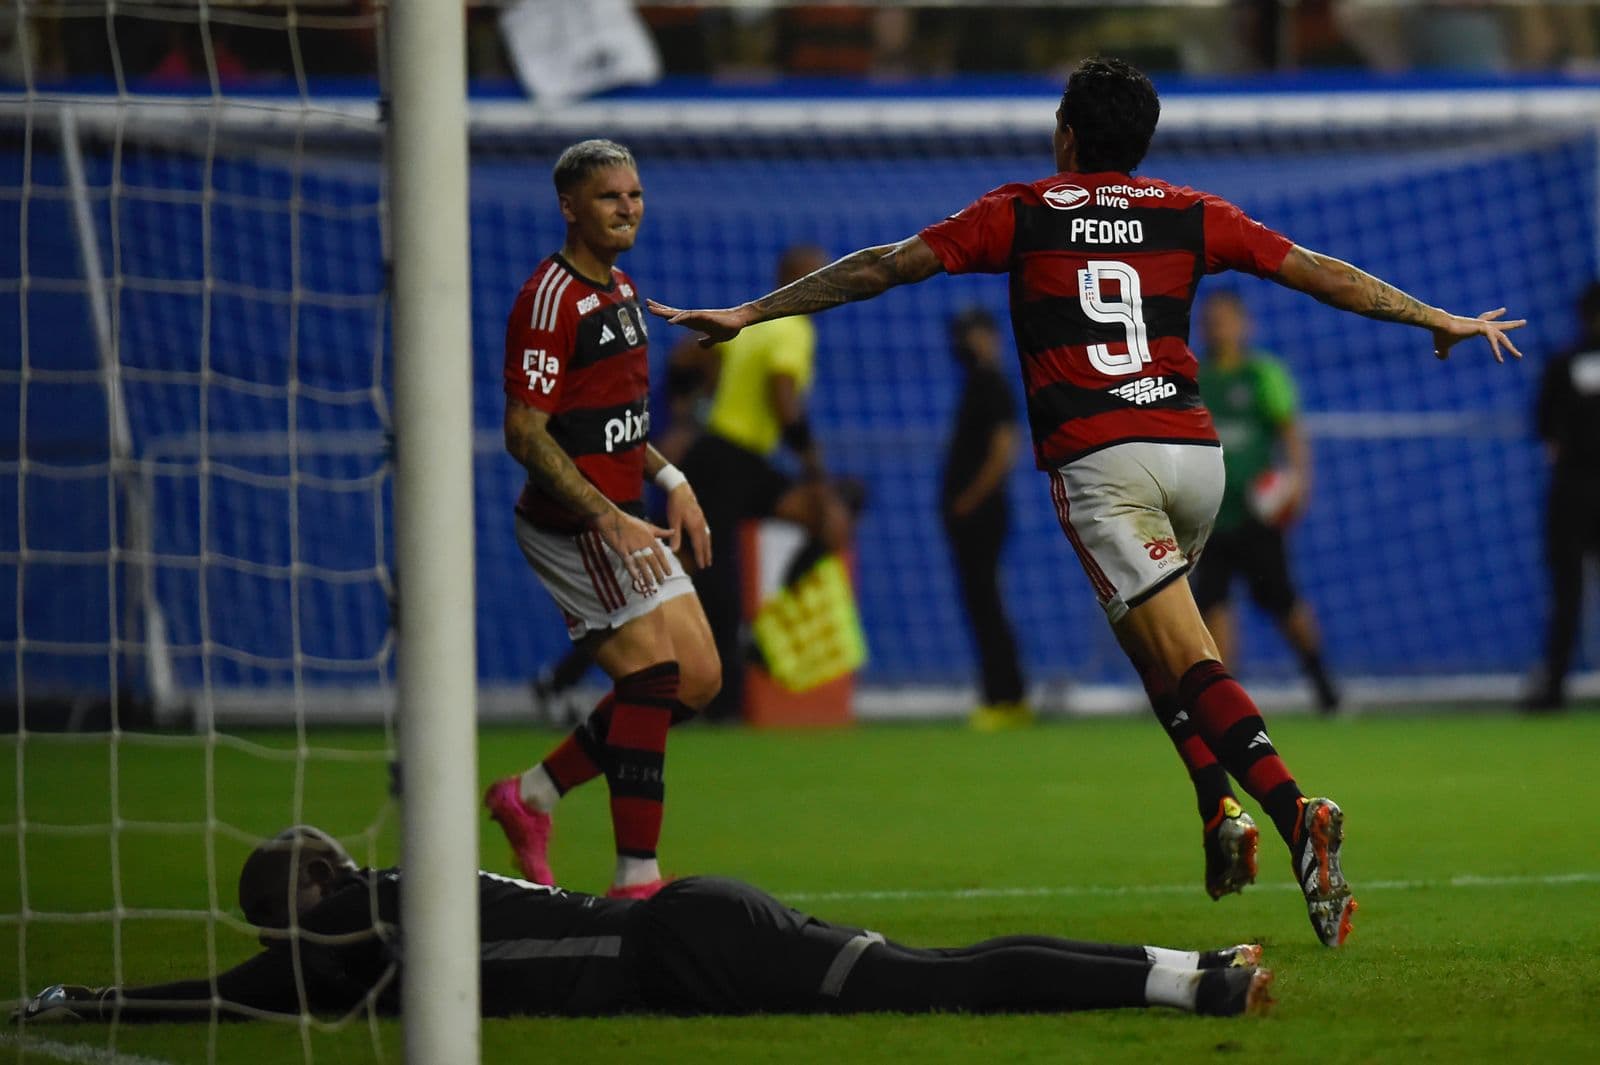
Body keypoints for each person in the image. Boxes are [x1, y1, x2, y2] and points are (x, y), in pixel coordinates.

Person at [647, 56, 1524, 947]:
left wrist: (751, 311)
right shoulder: (1192, 213)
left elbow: (886, 266)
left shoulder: (1020, 212)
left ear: (1067, 134)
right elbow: (1316, 270)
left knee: (1180, 653)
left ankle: (1296, 814)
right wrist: (1435, 317)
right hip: (1194, 456)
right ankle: (1217, 807)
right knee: (1156, 638)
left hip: (1103, 463)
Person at [12, 826, 1274, 1023]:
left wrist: (99, 1003)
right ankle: (1191, 970)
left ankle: (1192, 982)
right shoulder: (377, 917)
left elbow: (241, 991)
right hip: (686, 930)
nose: (330, 878)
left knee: (931, 984)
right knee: (925, 976)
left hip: (682, 946)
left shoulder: (355, 930)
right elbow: (249, 987)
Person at [484, 139, 720, 901]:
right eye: (610, 197)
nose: (628, 208)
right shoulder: (547, 299)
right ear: (569, 208)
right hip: (572, 522)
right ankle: (636, 881)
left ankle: (533, 795)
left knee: (702, 679)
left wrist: (672, 478)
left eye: (636, 195)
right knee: (653, 673)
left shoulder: (620, 290)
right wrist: (604, 514)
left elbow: (617, 422)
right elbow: (526, 432)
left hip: (624, 514)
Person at [678, 245, 853, 721]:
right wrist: (814, 467)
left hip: (735, 459)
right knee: (709, 579)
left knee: (830, 517)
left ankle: (758, 640)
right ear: (790, 281)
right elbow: (783, 398)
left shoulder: (750, 319)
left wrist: (685, 412)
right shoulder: (793, 327)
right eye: (816, 277)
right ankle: (715, 699)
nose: (826, 286)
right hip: (725, 460)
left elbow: (691, 360)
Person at [1189, 291, 1340, 713]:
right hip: (1211, 515)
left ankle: (1323, 685)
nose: (1217, 327)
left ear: (1244, 324)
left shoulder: (1263, 374)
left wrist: (1299, 484)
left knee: (1283, 601)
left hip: (1258, 513)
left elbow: (1290, 431)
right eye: (1210, 319)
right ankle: (1225, 702)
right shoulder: (1194, 376)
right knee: (1213, 604)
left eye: (1225, 318)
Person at [941, 308, 1031, 731]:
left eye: (970, 333)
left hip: (982, 513)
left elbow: (1002, 449)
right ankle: (1001, 693)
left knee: (987, 603)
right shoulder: (978, 383)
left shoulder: (992, 384)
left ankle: (1006, 696)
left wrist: (970, 498)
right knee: (981, 603)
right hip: (971, 513)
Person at [1528, 280, 1600, 711]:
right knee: (1568, 593)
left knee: (1567, 593)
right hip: (1574, 488)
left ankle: (1554, 689)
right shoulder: (1562, 363)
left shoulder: (1564, 364)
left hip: (1573, 489)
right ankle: (1553, 686)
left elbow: (1544, 429)